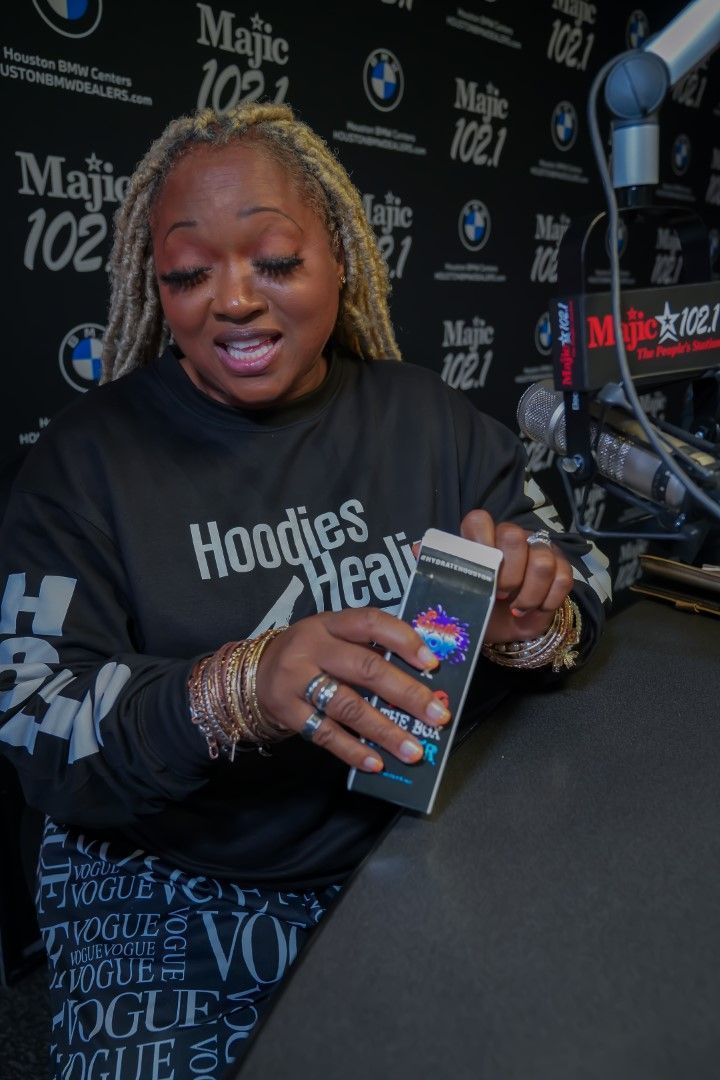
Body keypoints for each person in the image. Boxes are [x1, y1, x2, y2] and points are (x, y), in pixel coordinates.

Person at [0, 102, 611, 1077]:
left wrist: (530, 623)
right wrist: (241, 687)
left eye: (276, 262)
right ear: (154, 285)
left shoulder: (427, 420)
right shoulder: (86, 465)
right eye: (192, 274)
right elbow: (34, 721)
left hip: (397, 849)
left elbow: (575, 565)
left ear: (340, 254)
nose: (233, 300)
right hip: (171, 878)